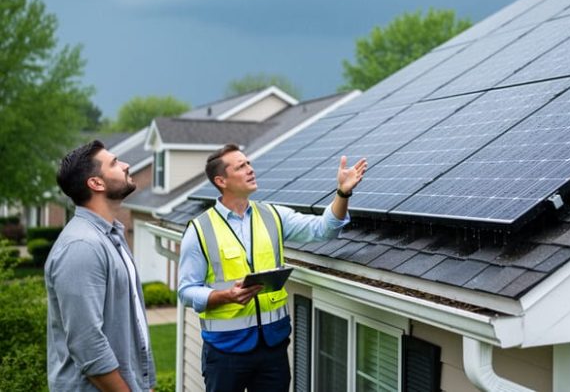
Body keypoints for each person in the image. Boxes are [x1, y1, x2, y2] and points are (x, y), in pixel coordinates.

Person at [178, 143, 367, 392]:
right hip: (225, 353)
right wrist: (225, 296)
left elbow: (325, 229)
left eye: (249, 163)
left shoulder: (273, 216)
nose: (250, 169)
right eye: (241, 166)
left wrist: (342, 193)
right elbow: (186, 291)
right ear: (221, 180)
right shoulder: (199, 230)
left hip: (273, 349)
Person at [45, 140, 156, 391]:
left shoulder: (112, 236)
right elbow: (87, 344)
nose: (126, 165)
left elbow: (132, 324)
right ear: (96, 183)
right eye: (115, 163)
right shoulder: (82, 246)